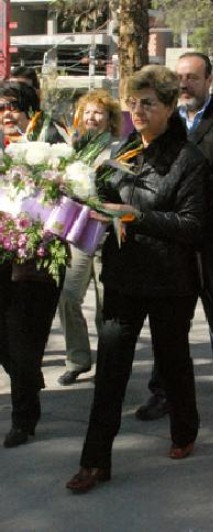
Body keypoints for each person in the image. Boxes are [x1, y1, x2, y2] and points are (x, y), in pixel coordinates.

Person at [65, 65, 208, 493]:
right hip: (125, 275)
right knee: (110, 369)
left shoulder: (189, 159)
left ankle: (184, 429)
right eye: (133, 102)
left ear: (169, 107)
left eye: (148, 102)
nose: (138, 110)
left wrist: (136, 216)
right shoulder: (125, 148)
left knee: (172, 360)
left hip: (170, 281)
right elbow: (106, 194)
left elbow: (194, 225)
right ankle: (94, 462)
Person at [135, 52, 213, 421]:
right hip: (171, 238)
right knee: (170, 320)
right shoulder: (165, 119)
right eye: (179, 77)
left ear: (209, 80)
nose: (185, 84)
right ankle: (162, 391)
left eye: (192, 77)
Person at [0, 81, 67, 448]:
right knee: (5, 341)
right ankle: (28, 378)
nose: (6, 114)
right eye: (1, 108)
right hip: (1, 256)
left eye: (12, 106)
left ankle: (23, 419)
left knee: (24, 341)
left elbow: (68, 193)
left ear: (29, 109)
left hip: (35, 259)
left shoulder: (50, 144)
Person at [57, 89, 122, 386]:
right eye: (87, 112)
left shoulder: (120, 150)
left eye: (98, 112)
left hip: (109, 237)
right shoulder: (75, 149)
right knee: (68, 297)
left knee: (106, 307)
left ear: (109, 118)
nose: (92, 117)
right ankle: (78, 359)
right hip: (80, 235)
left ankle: (109, 365)